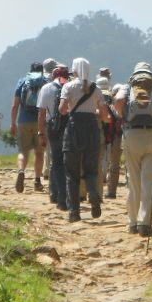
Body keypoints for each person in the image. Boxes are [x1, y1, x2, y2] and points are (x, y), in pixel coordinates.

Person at [114, 62, 152, 236]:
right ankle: (145, 223)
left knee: (133, 180)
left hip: (131, 135)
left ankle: (133, 223)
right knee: (149, 182)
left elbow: (118, 101)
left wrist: (121, 116)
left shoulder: (127, 88)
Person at [60, 58, 110, 223]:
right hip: (92, 132)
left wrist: (70, 108)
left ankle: (74, 212)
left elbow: (62, 110)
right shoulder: (96, 89)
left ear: (74, 70)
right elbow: (104, 116)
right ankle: (93, 193)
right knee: (91, 170)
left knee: (72, 174)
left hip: (73, 131)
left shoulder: (68, 86)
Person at [10, 62, 47, 193]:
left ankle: (21, 171)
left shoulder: (22, 82)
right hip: (40, 122)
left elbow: (15, 105)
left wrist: (13, 123)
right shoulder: (45, 82)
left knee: (23, 151)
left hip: (23, 121)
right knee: (39, 153)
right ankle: (37, 181)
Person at [37, 64, 69, 211]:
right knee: (68, 162)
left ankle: (57, 195)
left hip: (53, 128)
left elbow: (42, 114)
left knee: (56, 162)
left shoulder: (46, 88)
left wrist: (41, 133)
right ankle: (67, 196)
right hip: (69, 127)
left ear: (53, 76)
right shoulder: (71, 87)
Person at [105, 83, 124, 197]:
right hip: (122, 136)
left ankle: (109, 191)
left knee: (111, 164)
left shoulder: (110, 107)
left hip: (110, 137)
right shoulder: (126, 107)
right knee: (116, 165)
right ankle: (112, 191)